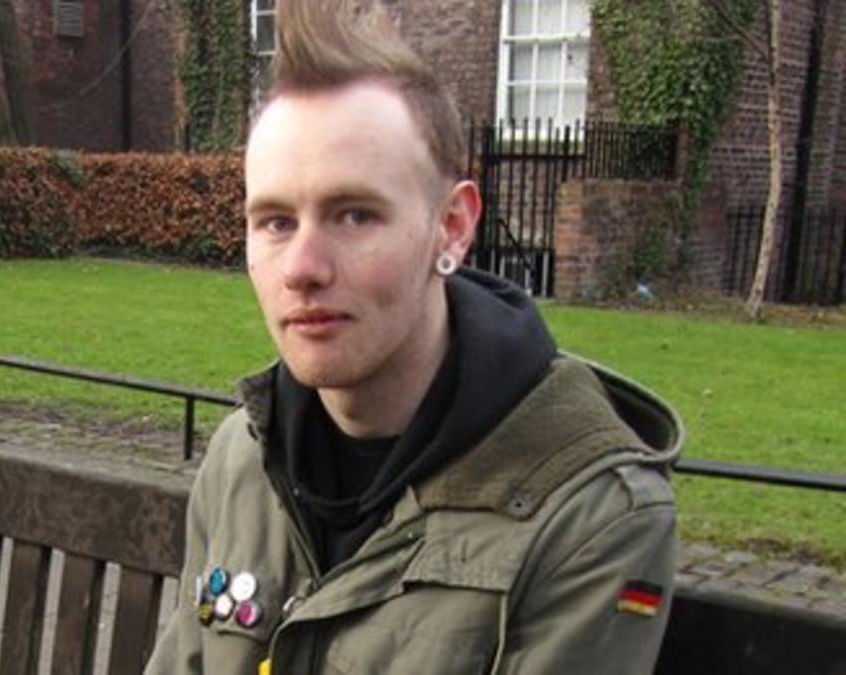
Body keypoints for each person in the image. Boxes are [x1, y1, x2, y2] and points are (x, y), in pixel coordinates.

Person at [147, 2, 682, 673]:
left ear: (452, 227)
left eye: (354, 215)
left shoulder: (589, 514)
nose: (302, 268)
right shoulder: (242, 457)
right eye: (276, 222)